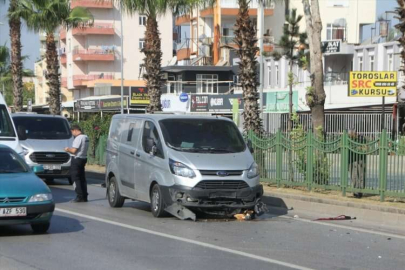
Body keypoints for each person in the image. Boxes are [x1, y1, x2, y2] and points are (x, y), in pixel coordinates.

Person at [65, 125, 89, 202]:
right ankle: (84, 196)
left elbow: (74, 151)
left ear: (74, 130)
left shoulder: (78, 138)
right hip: (83, 158)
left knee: (75, 178)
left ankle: (79, 196)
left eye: (72, 132)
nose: (72, 134)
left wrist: (67, 149)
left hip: (76, 159)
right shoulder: (86, 137)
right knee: (82, 178)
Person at [348, 129, 367, 198]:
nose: (353, 135)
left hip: (360, 159)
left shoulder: (361, 139)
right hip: (351, 160)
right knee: (353, 176)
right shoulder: (348, 139)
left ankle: (360, 191)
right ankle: (355, 191)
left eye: (353, 133)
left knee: (361, 175)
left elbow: (365, 148)